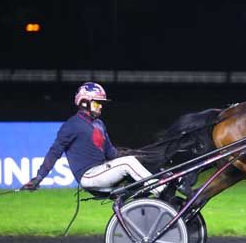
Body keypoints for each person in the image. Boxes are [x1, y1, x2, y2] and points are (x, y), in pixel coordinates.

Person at [21, 82, 165, 196]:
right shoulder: (72, 124)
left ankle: (163, 186)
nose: (101, 106)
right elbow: (54, 152)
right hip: (88, 176)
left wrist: (138, 155)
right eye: (97, 102)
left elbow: (112, 154)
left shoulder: (99, 124)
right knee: (128, 164)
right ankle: (162, 191)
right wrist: (39, 177)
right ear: (84, 102)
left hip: (102, 170)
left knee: (133, 161)